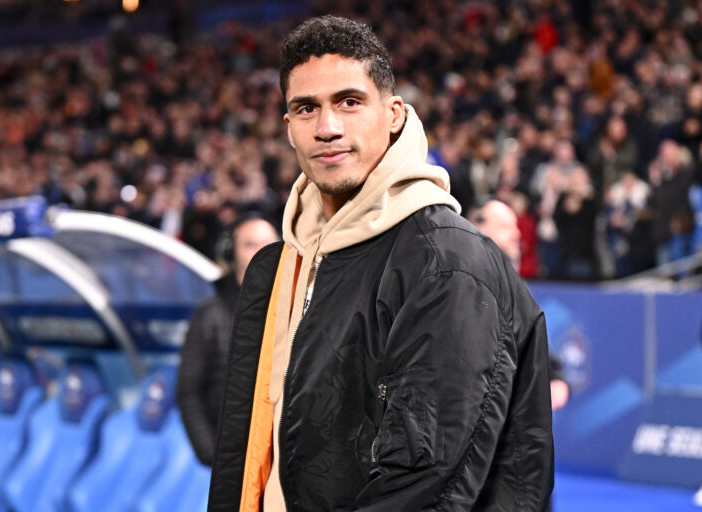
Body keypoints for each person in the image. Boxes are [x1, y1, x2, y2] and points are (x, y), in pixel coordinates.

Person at [209, 16, 554, 511]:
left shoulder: (445, 262)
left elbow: (426, 484)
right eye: (306, 108)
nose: (327, 128)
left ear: (394, 114)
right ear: (288, 128)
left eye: (349, 102)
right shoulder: (279, 265)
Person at [176, 212, 280, 466]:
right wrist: (211, 453)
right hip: (231, 460)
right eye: (250, 244)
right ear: (231, 252)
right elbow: (189, 390)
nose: (261, 251)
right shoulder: (210, 314)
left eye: (268, 244)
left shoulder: (296, 306)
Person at [470, 199, 570, 411]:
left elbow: (533, 337)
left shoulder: (515, 285)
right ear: (478, 227)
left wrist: (556, 376)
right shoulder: (463, 282)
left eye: (515, 226)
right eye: (506, 226)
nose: (516, 233)